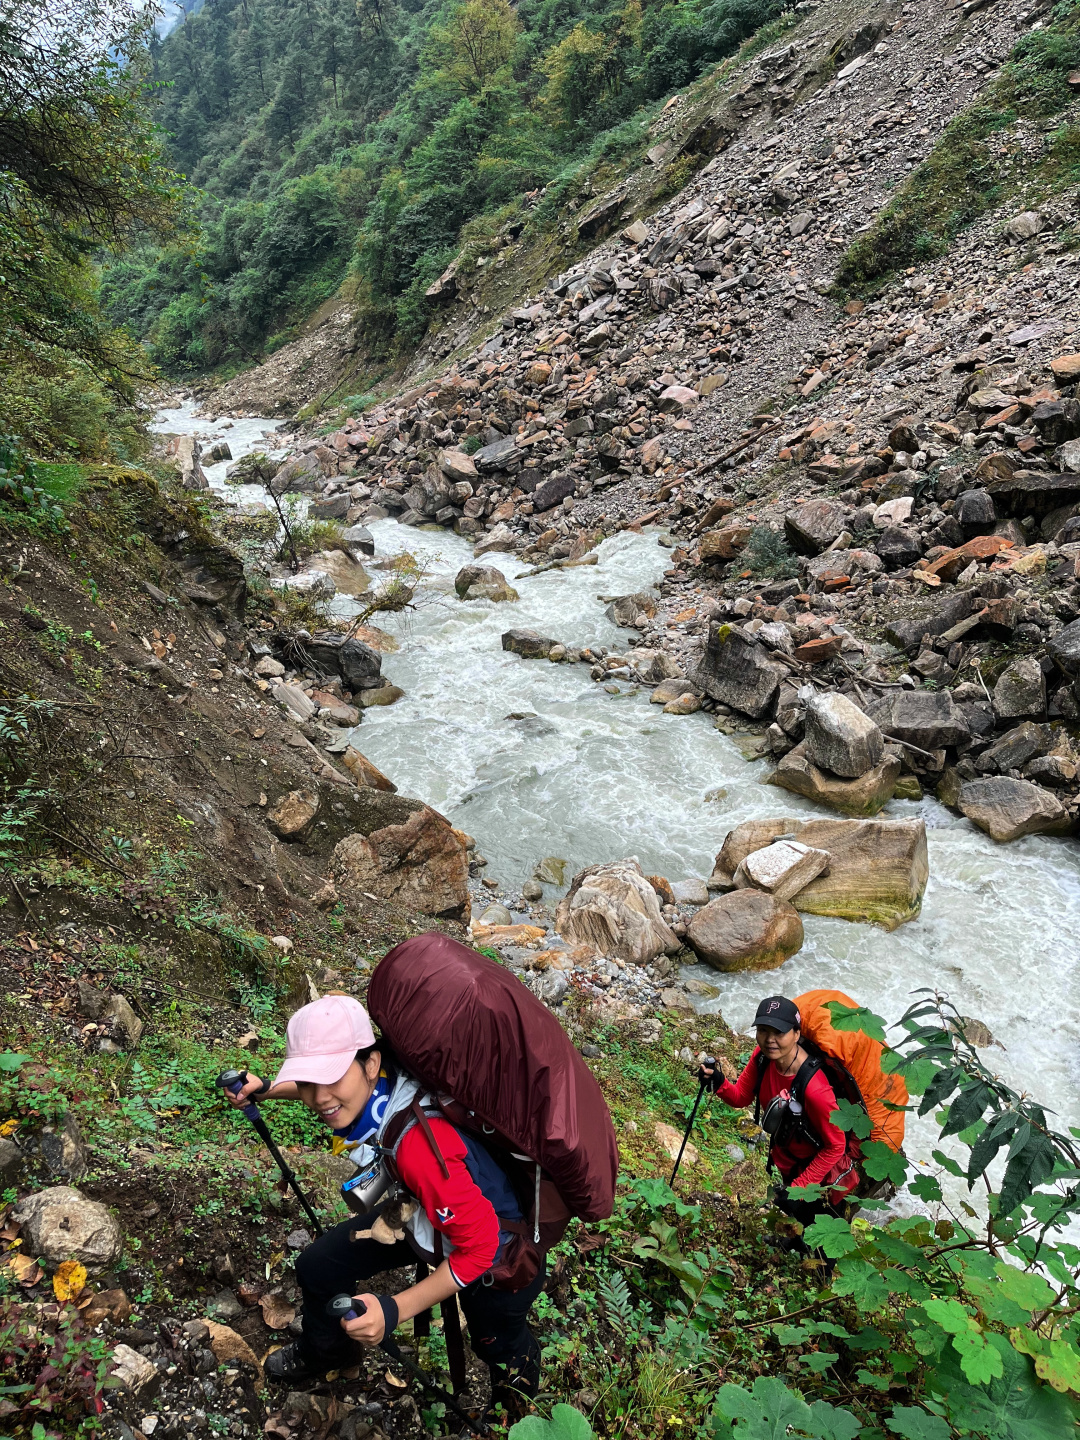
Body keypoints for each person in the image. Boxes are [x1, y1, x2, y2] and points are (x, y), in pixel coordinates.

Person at [227, 993, 544, 1411]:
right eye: (307, 1081)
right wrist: (267, 1089)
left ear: (370, 1064)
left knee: (497, 1343)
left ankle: (515, 1411)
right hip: (424, 1211)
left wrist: (394, 1310)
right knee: (319, 1266)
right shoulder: (386, 1076)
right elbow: (329, 1091)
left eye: (332, 1075)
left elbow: (481, 1248)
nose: (319, 1098)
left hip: (499, 1255)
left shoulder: (418, 1148)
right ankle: (330, 1353)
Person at [701, 995, 857, 1251]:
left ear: (796, 1034)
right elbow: (741, 1096)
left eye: (779, 1032)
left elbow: (835, 1146)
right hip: (790, 1161)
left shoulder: (815, 1088)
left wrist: (798, 1189)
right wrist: (718, 1082)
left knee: (825, 1242)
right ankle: (791, 1245)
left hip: (824, 1177)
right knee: (800, 1221)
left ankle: (822, 1280)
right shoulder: (763, 1058)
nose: (769, 1039)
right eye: (763, 1030)